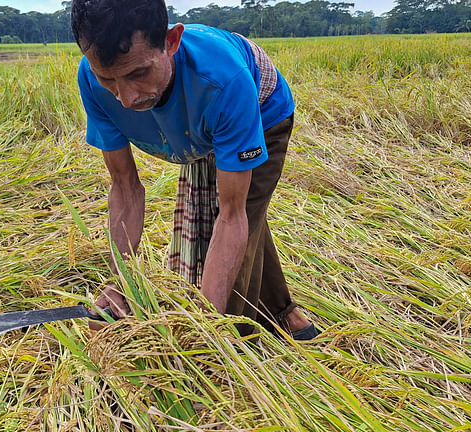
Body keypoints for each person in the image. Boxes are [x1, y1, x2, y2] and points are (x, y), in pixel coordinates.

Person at [71, 0, 319, 340]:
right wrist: (120, 284)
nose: (126, 98)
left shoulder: (222, 80)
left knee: (241, 214)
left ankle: (238, 340)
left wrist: (201, 328)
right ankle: (286, 315)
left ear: (171, 42)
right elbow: (125, 188)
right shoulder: (93, 83)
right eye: (108, 78)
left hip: (262, 114)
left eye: (138, 73)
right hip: (200, 127)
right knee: (248, 218)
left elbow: (232, 216)